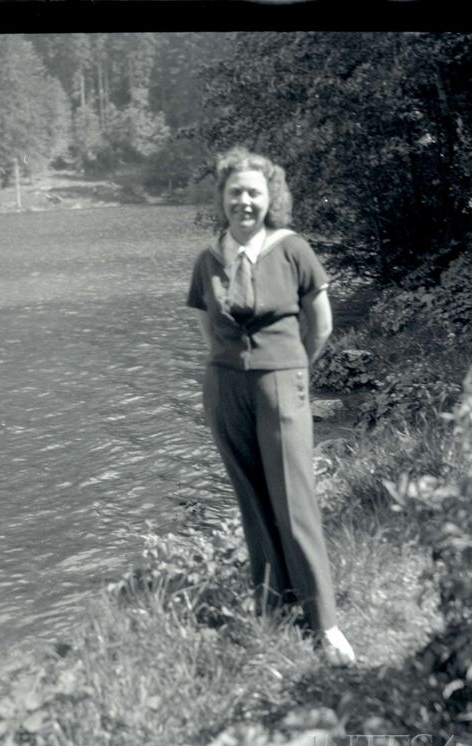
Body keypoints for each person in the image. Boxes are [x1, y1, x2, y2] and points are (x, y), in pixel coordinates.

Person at [186, 147, 356, 667]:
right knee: (252, 501)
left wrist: (290, 370)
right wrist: (230, 366)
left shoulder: (292, 249)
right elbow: (205, 324)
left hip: (282, 383)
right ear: (222, 198)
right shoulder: (209, 257)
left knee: (295, 502)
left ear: (271, 198)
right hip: (225, 387)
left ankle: (324, 624)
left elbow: (320, 324)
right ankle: (273, 609)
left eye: (254, 192)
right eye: (234, 192)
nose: (244, 201)